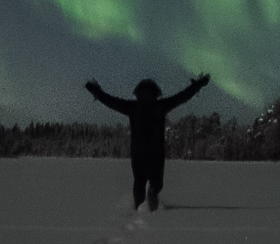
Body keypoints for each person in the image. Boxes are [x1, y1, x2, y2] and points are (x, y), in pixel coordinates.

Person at [85, 73, 211, 211]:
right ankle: (152, 196)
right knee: (156, 182)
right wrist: (198, 84)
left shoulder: (132, 107)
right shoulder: (161, 106)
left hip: (138, 151)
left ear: (137, 93)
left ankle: (139, 206)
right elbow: (182, 97)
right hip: (156, 151)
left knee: (139, 181)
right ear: (156, 92)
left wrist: (96, 91)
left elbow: (110, 101)